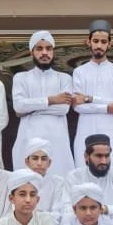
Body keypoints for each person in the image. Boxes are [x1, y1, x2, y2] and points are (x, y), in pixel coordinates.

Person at [11, 30, 75, 176]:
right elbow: (18, 106)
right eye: (39, 49)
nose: (44, 52)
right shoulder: (21, 78)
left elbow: (63, 108)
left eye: (48, 48)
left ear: (53, 52)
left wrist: (30, 108)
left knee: (59, 185)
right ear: (31, 52)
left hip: (57, 142)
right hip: (27, 139)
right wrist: (51, 100)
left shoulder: (64, 78)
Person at [71, 19, 113, 172]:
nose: (99, 45)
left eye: (103, 41)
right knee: (83, 172)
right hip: (85, 128)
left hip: (112, 130)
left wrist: (90, 99)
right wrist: (108, 107)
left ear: (109, 44)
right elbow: (78, 107)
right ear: (88, 42)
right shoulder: (79, 72)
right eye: (95, 41)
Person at [64, 134, 113, 219]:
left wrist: (104, 209)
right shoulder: (73, 177)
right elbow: (66, 209)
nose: (104, 161)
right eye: (99, 156)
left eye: (107, 156)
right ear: (86, 156)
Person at [23, 137, 70, 225]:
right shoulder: (18, 181)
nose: (39, 163)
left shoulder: (58, 182)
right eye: (35, 158)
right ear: (27, 161)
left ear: (49, 162)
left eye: (44, 159)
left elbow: (58, 214)